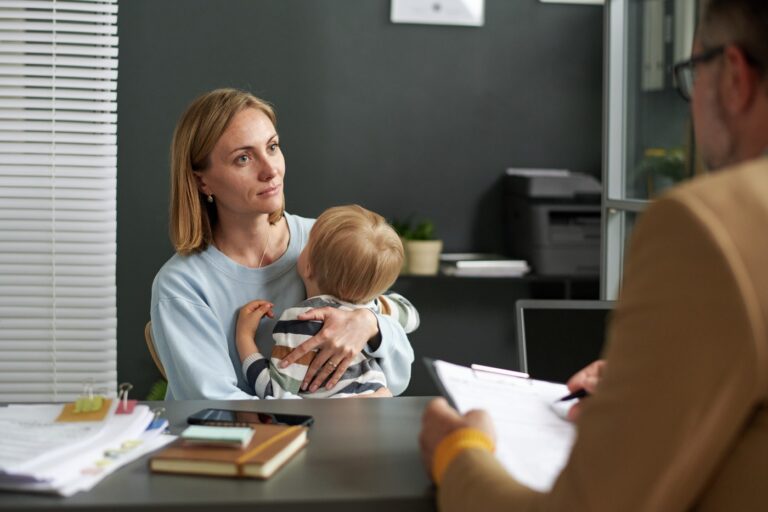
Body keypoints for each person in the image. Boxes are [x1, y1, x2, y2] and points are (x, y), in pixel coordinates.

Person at [419, 0, 768, 509]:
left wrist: (457, 454)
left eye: (693, 73)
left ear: (734, 76)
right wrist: (650, 386)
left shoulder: (711, 225)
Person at [150, 88, 417, 400]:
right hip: (252, 445)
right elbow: (217, 405)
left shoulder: (324, 240)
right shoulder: (182, 285)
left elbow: (397, 376)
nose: (270, 169)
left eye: (273, 147)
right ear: (201, 181)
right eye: (244, 158)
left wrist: (369, 325)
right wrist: (329, 423)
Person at [235, 204, 419, 399]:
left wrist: (244, 339)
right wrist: (371, 318)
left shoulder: (301, 321)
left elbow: (275, 392)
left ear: (308, 267)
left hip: (332, 424)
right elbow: (412, 317)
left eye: (308, 243)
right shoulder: (373, 306)